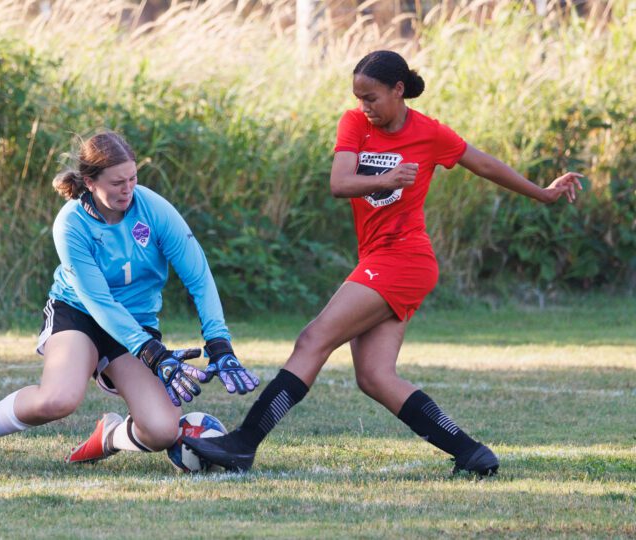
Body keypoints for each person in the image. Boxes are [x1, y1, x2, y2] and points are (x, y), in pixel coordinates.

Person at [183, 50, 583, 475]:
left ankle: (243, 445)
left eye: (372, 97)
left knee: (313, 339)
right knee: (374, 377)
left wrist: (543, 192)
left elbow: (483, 164)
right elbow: (340, 183)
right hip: (379, 258)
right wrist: (386, 180)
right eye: (359, 97)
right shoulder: (355, 123)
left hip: (406, 258)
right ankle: (471, 453)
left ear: (398, 90)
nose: (364, 107)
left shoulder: (430, 133)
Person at [0, 131, 258, 468]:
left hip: (134, 322)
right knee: (57, 400)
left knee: (161, 430)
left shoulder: (154, 210)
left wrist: (219, 342)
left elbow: (198, 276)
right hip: (78, 313)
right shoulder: (70, 224)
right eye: (116, 183)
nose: (128, 189)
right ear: (89, 182)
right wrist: (153, 353)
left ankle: (110, 436)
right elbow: (98, 301)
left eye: (132, 178)